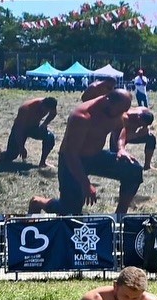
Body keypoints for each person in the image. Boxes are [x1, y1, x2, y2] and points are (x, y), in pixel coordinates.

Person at [31, 89, 140, 218]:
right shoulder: (82, 117)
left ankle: (120, 216)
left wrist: (121, 148)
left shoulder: (116, 111)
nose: (123, 114)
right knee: (70, 211)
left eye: (125, 110)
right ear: (107, 101)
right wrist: (85, 184)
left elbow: (120, 127)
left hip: (96, 156)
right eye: (121, 110)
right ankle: (38, 202)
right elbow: (71, 154)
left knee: (134, 170)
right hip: (72, 161)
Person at [0, 96, 58, 169]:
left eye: (48, 110)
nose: (45, 111)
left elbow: (53, 114)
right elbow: (19, 129)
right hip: (20, 129)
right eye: (45, 109)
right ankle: (3, 155)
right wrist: (21, 147)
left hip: (34, 127)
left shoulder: (51, 105)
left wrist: (45, 123)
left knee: (50, 137)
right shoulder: (26, 108)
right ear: (42, 104)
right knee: (12, 155)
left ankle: (42, 163)